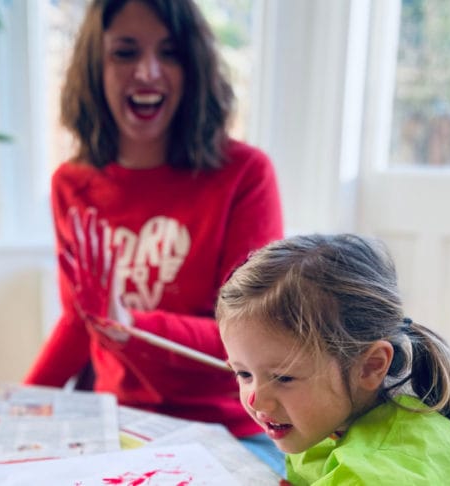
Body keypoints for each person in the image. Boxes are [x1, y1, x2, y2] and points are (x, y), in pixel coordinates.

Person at [23, 0, 285, 474]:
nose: (147, 72)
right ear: (94, 67)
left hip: (231, 427)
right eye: (125, 52)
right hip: (113, 423)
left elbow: (254, 340)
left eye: (170, 52)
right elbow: (82, 321)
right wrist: (18, 407)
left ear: (194, 66)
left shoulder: (245, 175)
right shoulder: (71, 183)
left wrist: (132, 325)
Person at [216, 234, 450, 485]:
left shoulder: (372, 475)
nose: (255, 398)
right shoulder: (332, 423)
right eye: (243, 374)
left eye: (284, 378)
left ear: (371, 366)